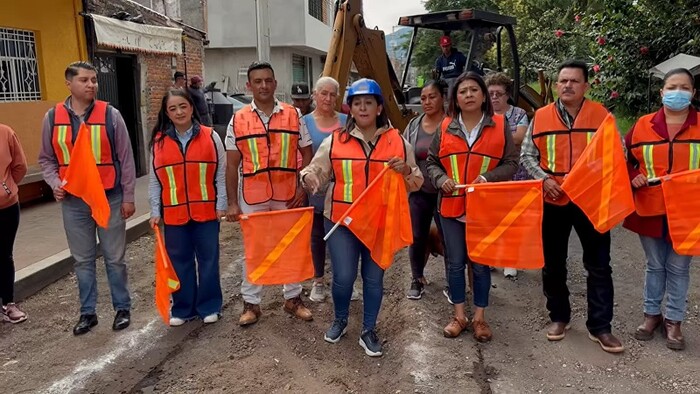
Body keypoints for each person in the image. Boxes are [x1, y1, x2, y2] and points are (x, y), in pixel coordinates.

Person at [300, 78, 423, 356]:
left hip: (380, 221)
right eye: (357, 103)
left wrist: (405, 170)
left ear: (379, 107)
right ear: (351, 109)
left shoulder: (398, 142)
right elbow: (316, 170)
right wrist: (308, 177)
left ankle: (368, 330)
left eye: (369, 103)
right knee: (343, 276)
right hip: (342, 219)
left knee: (373, 278)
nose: (363, 108)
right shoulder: (336, 140)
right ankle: (340, 320)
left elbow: (416, 181)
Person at [520, 59, 623, 353]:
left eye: (574, 81)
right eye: (562, 81)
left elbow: (617, 152)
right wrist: (544, 180)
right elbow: (528, 155)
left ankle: (601, 327)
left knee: (599, 265)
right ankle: (559, 317)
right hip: (553, 199)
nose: (567, 85)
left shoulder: (601, 116)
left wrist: (594, 180)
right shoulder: (540, 116)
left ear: (586, 86)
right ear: (556, 85)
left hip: (591, 201)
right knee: (553, 263)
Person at [38, 61, 136, 336]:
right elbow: (46, 159)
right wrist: (55, 183)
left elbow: (126, 159)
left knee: (114, 257)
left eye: (94, 80)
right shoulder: (52, 118)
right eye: (84, 80)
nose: (91, 84)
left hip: (109, 198)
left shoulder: (110, 115)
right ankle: (88, 313)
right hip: (74, 201)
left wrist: (128, 196)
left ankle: (122, 308)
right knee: (82, 260)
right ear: (68, 84)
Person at [426, 72, 518, 342]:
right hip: (452, 209)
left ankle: (479, 318)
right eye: (462, 91)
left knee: (479, 265)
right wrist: (441, 179)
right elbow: (431, 162)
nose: (468, 95)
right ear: (455, 98)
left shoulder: (499, 126)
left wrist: (488, 178)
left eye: (474, 90)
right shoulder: (445, 127)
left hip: (484, 209)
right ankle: (459, 316)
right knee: (455, 264)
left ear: (483, 96)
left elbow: (511, 163)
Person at [225, 61, 314, 326]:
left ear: (275, 84)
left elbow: (306, 152)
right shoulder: (238, 119)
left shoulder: (293, 114)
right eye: (258, 81)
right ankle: (251, 304)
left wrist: (302, 186)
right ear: (248, 85)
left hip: (288, 193)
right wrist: (232, 203)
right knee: (254, 249)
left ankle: (293, 298)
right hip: (252, 197)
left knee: (291, 246)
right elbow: (231, 165)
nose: (263, 85)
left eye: (268, 80)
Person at [624, 68, 698, 351]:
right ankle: (651, 315)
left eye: (684, 87)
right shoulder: (643, 125)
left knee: (679, 267)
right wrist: (633, 177)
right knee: (655, 264)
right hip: (650, 206)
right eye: (672, 87)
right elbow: (624, 159)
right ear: (662, 92)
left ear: (693, 93)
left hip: (690, 211)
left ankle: (674, 321)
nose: (677, 92)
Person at [149, 89, 227, 326]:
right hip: (174, 215)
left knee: (208, 261)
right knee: (179, 262)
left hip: (206, 213)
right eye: (172, 109)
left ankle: (210, 306)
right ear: (167, 113)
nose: (179, 112)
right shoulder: (158, 143)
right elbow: (155, 180)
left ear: (192, 108)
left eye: (183, 106)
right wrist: (155, 211)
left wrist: (221, 204)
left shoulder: (211, 136)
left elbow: (220, 175)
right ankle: (183, 308)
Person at [301, 76, 356, 303]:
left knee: (343, 238)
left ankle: (346, 282)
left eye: (333, 94)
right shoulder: (303, 122)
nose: (328, 98)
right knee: (316, 238)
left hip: (343, 192)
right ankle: (318, 282)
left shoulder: (347, 121)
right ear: (314, 95)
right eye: (323, 93)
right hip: (315, 192)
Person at [403, 80, 449, 300]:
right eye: (423, 98)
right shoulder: (413, 125)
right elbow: (403, 150)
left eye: (432, 97)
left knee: (449, 237)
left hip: (446, 191)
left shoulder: (452, 124)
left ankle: (453, 283)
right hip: (419, 190)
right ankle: (416, 278)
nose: (427, 102)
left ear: (443, 98)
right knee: (416, 236)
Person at [485, 72, 531, 279]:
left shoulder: (519, 113)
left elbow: (520, 138)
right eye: (491, 93)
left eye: (499, 94)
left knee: (513, 219)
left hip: (516, 174)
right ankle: (492, 258)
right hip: (491, 175)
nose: (494, 97)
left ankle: (510, 260)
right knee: (492, 218)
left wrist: (493, 139)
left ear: (507, 95)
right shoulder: (482, 114)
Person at [0, 123, 28, 323]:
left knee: (4, 254)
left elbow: (20, 166)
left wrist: (6, 188)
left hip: (6, 207)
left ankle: (9, 303)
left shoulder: (6, 132)